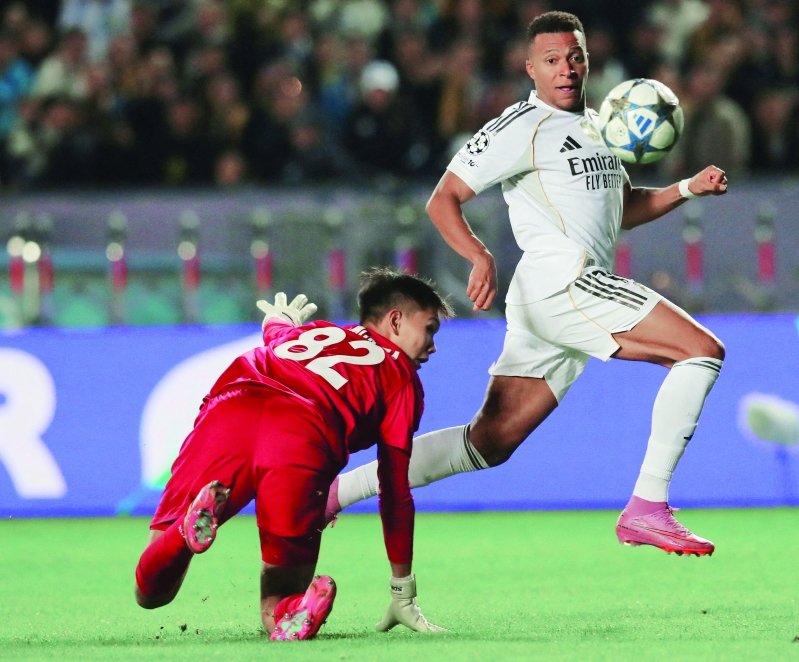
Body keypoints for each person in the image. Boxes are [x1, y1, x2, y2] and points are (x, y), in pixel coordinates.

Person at [329, 11, 728, 557]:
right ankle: (648, 507)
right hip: (566, 283)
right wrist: (479, 255)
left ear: (587, 61)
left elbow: (623, 209)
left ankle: (335, 492)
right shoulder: (520, 126)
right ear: (530, 69)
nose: (565, 69)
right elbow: (442, 198)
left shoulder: (598, 129)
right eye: (551, 60)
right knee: (700, 353)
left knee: (489, 442)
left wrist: (686, 187)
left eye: (574, 57)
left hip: (554, 299)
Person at [133, 270, 451, 640]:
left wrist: (279, 318)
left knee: (151, 592)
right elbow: (395, 493)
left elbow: (278, 334)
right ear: (395, 320)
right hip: (300, 438)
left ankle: (186, 533)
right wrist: (402, 589)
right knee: (279, 605)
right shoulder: (402, 380)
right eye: (429, 329)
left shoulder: (318, 332)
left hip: (230, 410)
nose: (432, 346)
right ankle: (294, 609)